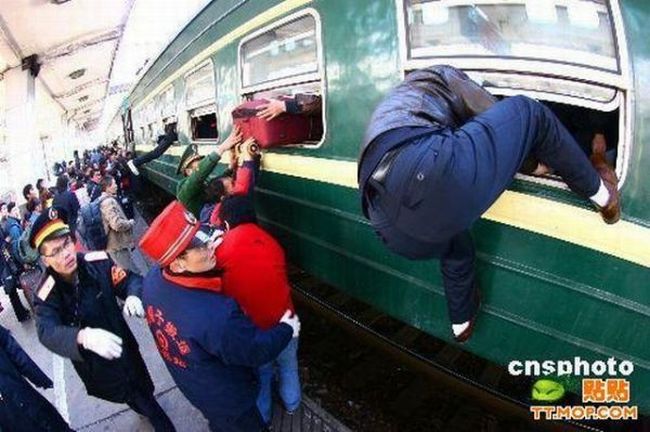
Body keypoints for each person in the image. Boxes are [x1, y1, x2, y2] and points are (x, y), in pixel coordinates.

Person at [358, 65, 621, 343]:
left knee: (455, 245)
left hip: (387, 223)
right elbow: (485, 108)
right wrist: (532, 163)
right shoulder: (444, 74)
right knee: (528, 112)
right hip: (420, 170)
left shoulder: (401, 99)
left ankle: (462, 321)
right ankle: (602, 194)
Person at [139, 201, 299, 432]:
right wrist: (286, 327)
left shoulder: (154, 281)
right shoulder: (216, 315)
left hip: (195, 386)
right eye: (200, 246)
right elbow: (256, 350)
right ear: (178, 262)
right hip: (231, 402)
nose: (211, 247)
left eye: (204, 238)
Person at [30, 207, 176, 432]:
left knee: (143, 393)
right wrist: (82, 337)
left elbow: (130, 280)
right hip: (97, 365)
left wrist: (133, 295)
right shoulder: (46, 294)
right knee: (133, 395)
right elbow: (46, 331)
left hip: (124, 349)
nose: (66, 254)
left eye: (67, 243)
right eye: (56, 251)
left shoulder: (96, 263)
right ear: (45, 260)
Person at [216, 196, 301, 424]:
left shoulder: (220, 252)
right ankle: (292, 405)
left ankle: (263, 419)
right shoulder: (271, 241)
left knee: (261, 376)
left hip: (256, 331)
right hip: (288, 321)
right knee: (289, 366)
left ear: (225, 223)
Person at [0, 323, 73, 431]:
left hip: (12, 405)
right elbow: (14, 350)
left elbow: (12, 349)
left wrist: (38, 377)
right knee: (50, 422)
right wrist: (37, 377)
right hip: (20, 395)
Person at [176, 126, 243, 217]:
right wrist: (222, 148)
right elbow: (198, 176)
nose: (202, 166)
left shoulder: (201, 185)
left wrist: (230, 168)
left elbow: (214, 185)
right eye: (198, 165)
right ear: (188, 171)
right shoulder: (185, 192)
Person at [99, 175, 140, 274]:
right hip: (116, 247)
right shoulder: (108, 202)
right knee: (132, 273)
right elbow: (116, 224)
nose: (116, 185)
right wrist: (129, 223)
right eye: (114, 184)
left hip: (116, 245)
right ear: (107, 187)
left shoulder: (104, 200)